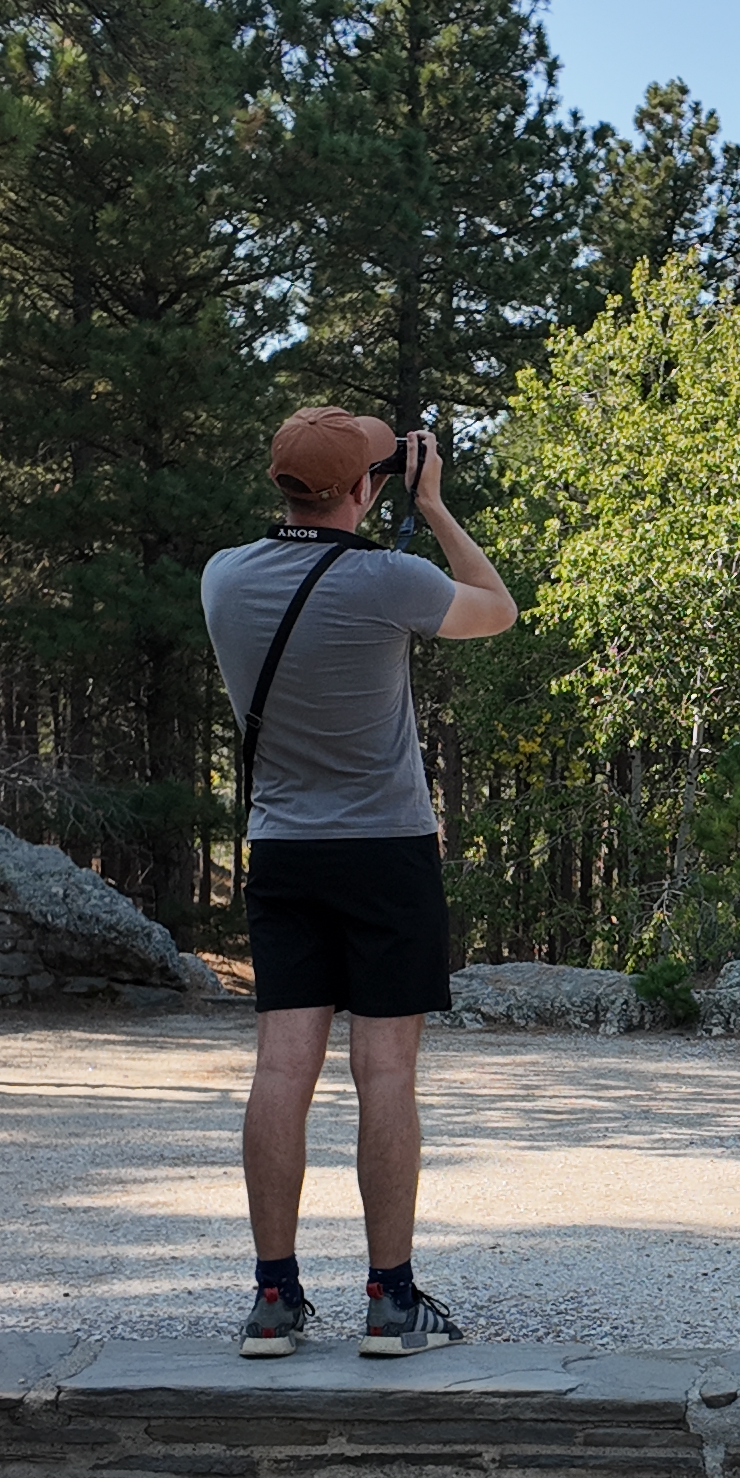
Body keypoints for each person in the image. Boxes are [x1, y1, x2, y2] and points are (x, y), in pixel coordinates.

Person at [201, 404, 516, 1358]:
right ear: (366, 489)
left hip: (283, 852)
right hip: (386, 851)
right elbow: (496, 608)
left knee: (280, 1072)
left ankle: (272, 1300)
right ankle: (391, 1300)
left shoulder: (223, 577)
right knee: (385, 1074)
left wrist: (386, 488)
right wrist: (437, 505)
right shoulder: (393, 580)